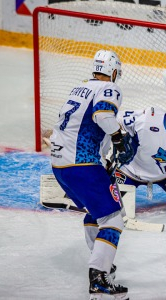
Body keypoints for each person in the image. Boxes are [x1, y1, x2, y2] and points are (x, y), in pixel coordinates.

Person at [50, 49, 129, 299]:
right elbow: (103, 115)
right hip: (81, 165)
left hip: (60, 165)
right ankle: (98, 277)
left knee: (98, 213)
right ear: (113, 71)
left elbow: (89, 125)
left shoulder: (79, 88)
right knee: (114, 218)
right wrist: (118, 137)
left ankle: (103, 266)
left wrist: (105, 153)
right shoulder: (109, 89)